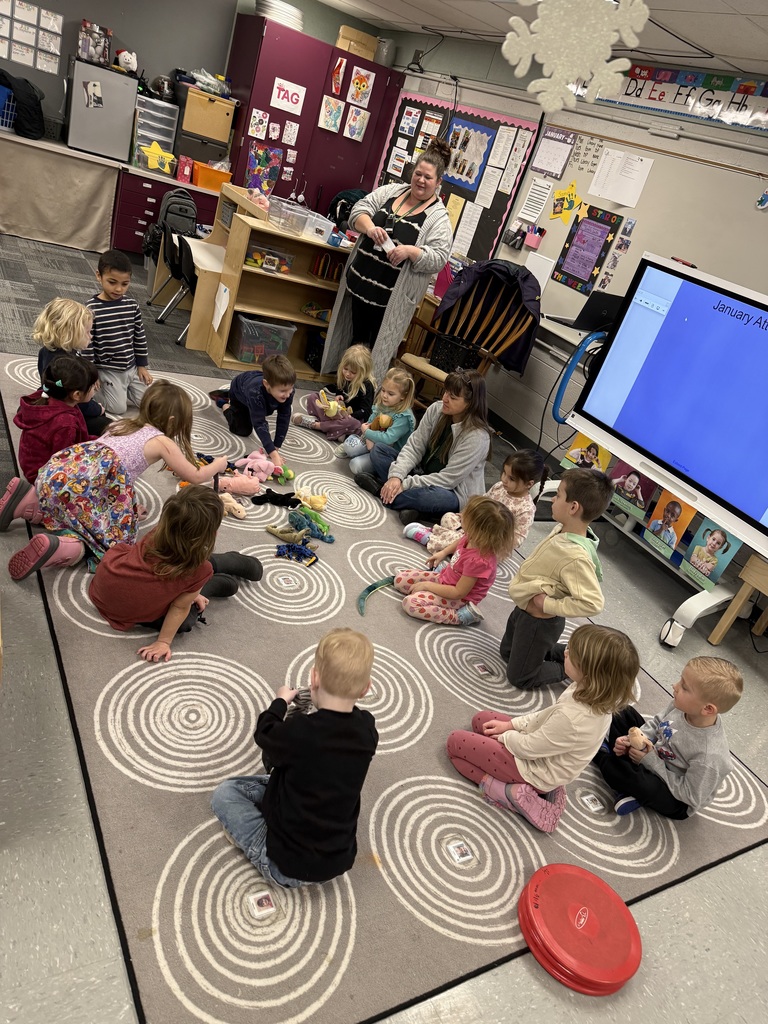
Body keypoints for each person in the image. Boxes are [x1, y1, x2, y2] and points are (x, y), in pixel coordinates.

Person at [1, 379, 229, 579]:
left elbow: (106, 479)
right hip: (85, 487)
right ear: (172, 421)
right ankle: (66, 548)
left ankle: (28, 501)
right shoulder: (162, 441)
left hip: (61, 471)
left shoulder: (123, 423)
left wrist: (128, 508)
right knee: (114, 543)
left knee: (72, 502)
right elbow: (195, 476)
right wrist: (218, 464)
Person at [210, 627, 379, 887]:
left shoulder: (300, 733)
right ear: (365, 689)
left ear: (314, 678)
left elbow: (265, 733)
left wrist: (280, 702)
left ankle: (254, 846)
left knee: (226, 793)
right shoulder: (367, 728)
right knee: (298, 772)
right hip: (336, 860)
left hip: (286, 866)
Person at [446, 625, 639, 832]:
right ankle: (529, 784)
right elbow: (545, 718)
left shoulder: (574, 718)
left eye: (571, 653)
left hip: (531, 769)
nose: (565, 652)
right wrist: (511, 725)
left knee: (455, 744)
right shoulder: (587, 690)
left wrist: (505, 737)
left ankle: (507, 791)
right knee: (481, 720)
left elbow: (528, 748)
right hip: (544, 752)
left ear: (590, 673)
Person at [320, 139, 454, 384]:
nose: (421, 181)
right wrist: (371, 229)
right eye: (418, 174)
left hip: (389, 300)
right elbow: (358, 210)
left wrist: (411, 252)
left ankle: (361, 400)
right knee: (355, 343)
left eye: (428, 178)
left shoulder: (439, 218)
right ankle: (345, 390)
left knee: (375, 352)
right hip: (359, 286)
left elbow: (437, 258)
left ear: (439, 183)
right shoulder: (392, 192)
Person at [90, 485, 263, 663]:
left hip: (105, 585)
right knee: (185, 620)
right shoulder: (199, 570)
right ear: (212, 534)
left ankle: (222, 565)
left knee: (189, 564)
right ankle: (207, 584)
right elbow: (179, 607)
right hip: (134, 602)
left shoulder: (156, 532)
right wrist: (164, 641)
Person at [500, 468, 614, 690]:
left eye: (559, 494)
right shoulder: (564, 528)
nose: (553, 498)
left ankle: (577, 668)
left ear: (573, 507)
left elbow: (593, 602)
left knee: (520, 677)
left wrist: (549, 604)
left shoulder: (576, 556)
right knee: (507, 652)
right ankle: (567, 653)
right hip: (524, 608)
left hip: (539, 622)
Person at [593, 656, 743, 818]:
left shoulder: (709, 756)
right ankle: (632, 786)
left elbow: (690, 795)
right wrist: (634, 739)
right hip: (654, 756)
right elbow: (657, 723)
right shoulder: (682, 706)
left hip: (676, 797)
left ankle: (600, 754)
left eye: (684, 687)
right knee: (622, 712)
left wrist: (649, 761)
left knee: (627, 776)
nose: (675, 686)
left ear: (707, 709)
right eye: (680, 681)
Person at [355, 369, 492, 527]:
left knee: (431, 498)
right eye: (446, 392)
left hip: (450, 491)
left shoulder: (478, 437)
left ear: (470, 403)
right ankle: (411, 506)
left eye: (453, 397)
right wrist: (396, 477)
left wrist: (404, 484)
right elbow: (414, 446)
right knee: (379, 451)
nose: (445, 399)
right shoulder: (436, 409)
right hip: (421, 473)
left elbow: (448, 479)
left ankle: (380, 490)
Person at [393, 495, 516, 627]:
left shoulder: (479, 561)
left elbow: (458, 592)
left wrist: (426, 586)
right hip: (446, 578)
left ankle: (459, 616)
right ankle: (435, 583)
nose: (460, 515)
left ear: (476, 529)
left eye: (465, 515)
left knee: (411, 604)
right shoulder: (473, 537)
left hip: (459, 598)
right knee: (400, 580)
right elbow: (460, 541)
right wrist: (443, 552)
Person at [403, 448, 546, 553]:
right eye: (504, 473)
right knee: (449, 517)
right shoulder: (499, 487)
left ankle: (431, 538)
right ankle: (448, 539)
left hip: (488, 545)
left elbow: (516, 539)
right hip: (471, 528)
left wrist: (489, 539)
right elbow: (481, 501)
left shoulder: (526, 509)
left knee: (468, 545)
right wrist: (466, 514)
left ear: (529, 484)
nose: (504, 479)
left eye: (511, 479)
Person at [85, 249, 153, 415]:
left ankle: (124, 389)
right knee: (118, 409)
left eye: (124, 284)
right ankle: (93, 392)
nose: (118, 289)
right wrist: (91, 374)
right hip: (107, 370)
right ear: (98, 276)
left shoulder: (131, 305)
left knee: (150, 403)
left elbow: (139, 337)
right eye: (112, 282)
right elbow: (86, 345)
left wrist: (142, 366)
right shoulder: (91, 309)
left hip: (131, 367)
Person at [14, 354, 99, 484]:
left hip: (33, 464)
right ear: (77, 394)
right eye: (93, 387)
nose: (95, 389)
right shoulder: (65, 424)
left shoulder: (47, 397)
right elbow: (64, 462)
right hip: (43, 476)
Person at [34, 297, 108, 436]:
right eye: (87, 332)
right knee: (106, 425)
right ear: (70, 333)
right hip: (64, 408)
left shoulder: (46, 350)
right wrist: (97, 409)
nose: (90, 336)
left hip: (52, 395)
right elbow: (75, 399)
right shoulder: (68, 365)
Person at [210, 353, 296, 470]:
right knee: (242, 430)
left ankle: (227, 394)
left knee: (264, 408)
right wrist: (273, 454)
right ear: (267, 384)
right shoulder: (255, 392)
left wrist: (275, 447)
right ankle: (225, 402)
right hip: (240, 393)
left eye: (290, 388)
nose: (288, 394)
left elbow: (284, 418)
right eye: (283, 391)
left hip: (256, 390)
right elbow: (260, 423)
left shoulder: (288, 391)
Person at [337, 366, 416, 476]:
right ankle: (363, 453)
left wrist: (367, 433)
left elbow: (389, 439)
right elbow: (370, 422)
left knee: (355, 465)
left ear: (403, 396)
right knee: (349, 446)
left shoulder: (404, 417)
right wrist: (368, 437)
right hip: (372, 442)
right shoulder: (382, 404)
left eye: (391, 394)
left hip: (387, 454)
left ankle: (376, 469)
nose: (384, 396)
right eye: (383, 390)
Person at [292, 344, 376, 441]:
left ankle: (317, 425)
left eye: (353, 372)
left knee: (353, 423)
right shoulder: (344, 377)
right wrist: (338, 398)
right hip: (338, 413)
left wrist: (349, 416)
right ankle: (336, 429)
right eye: (345, 369)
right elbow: (339, 394)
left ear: (363, 372)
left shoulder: (367, 386)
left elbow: (365, 412)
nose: (347, 374)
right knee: (312, 397)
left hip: (353, 418)